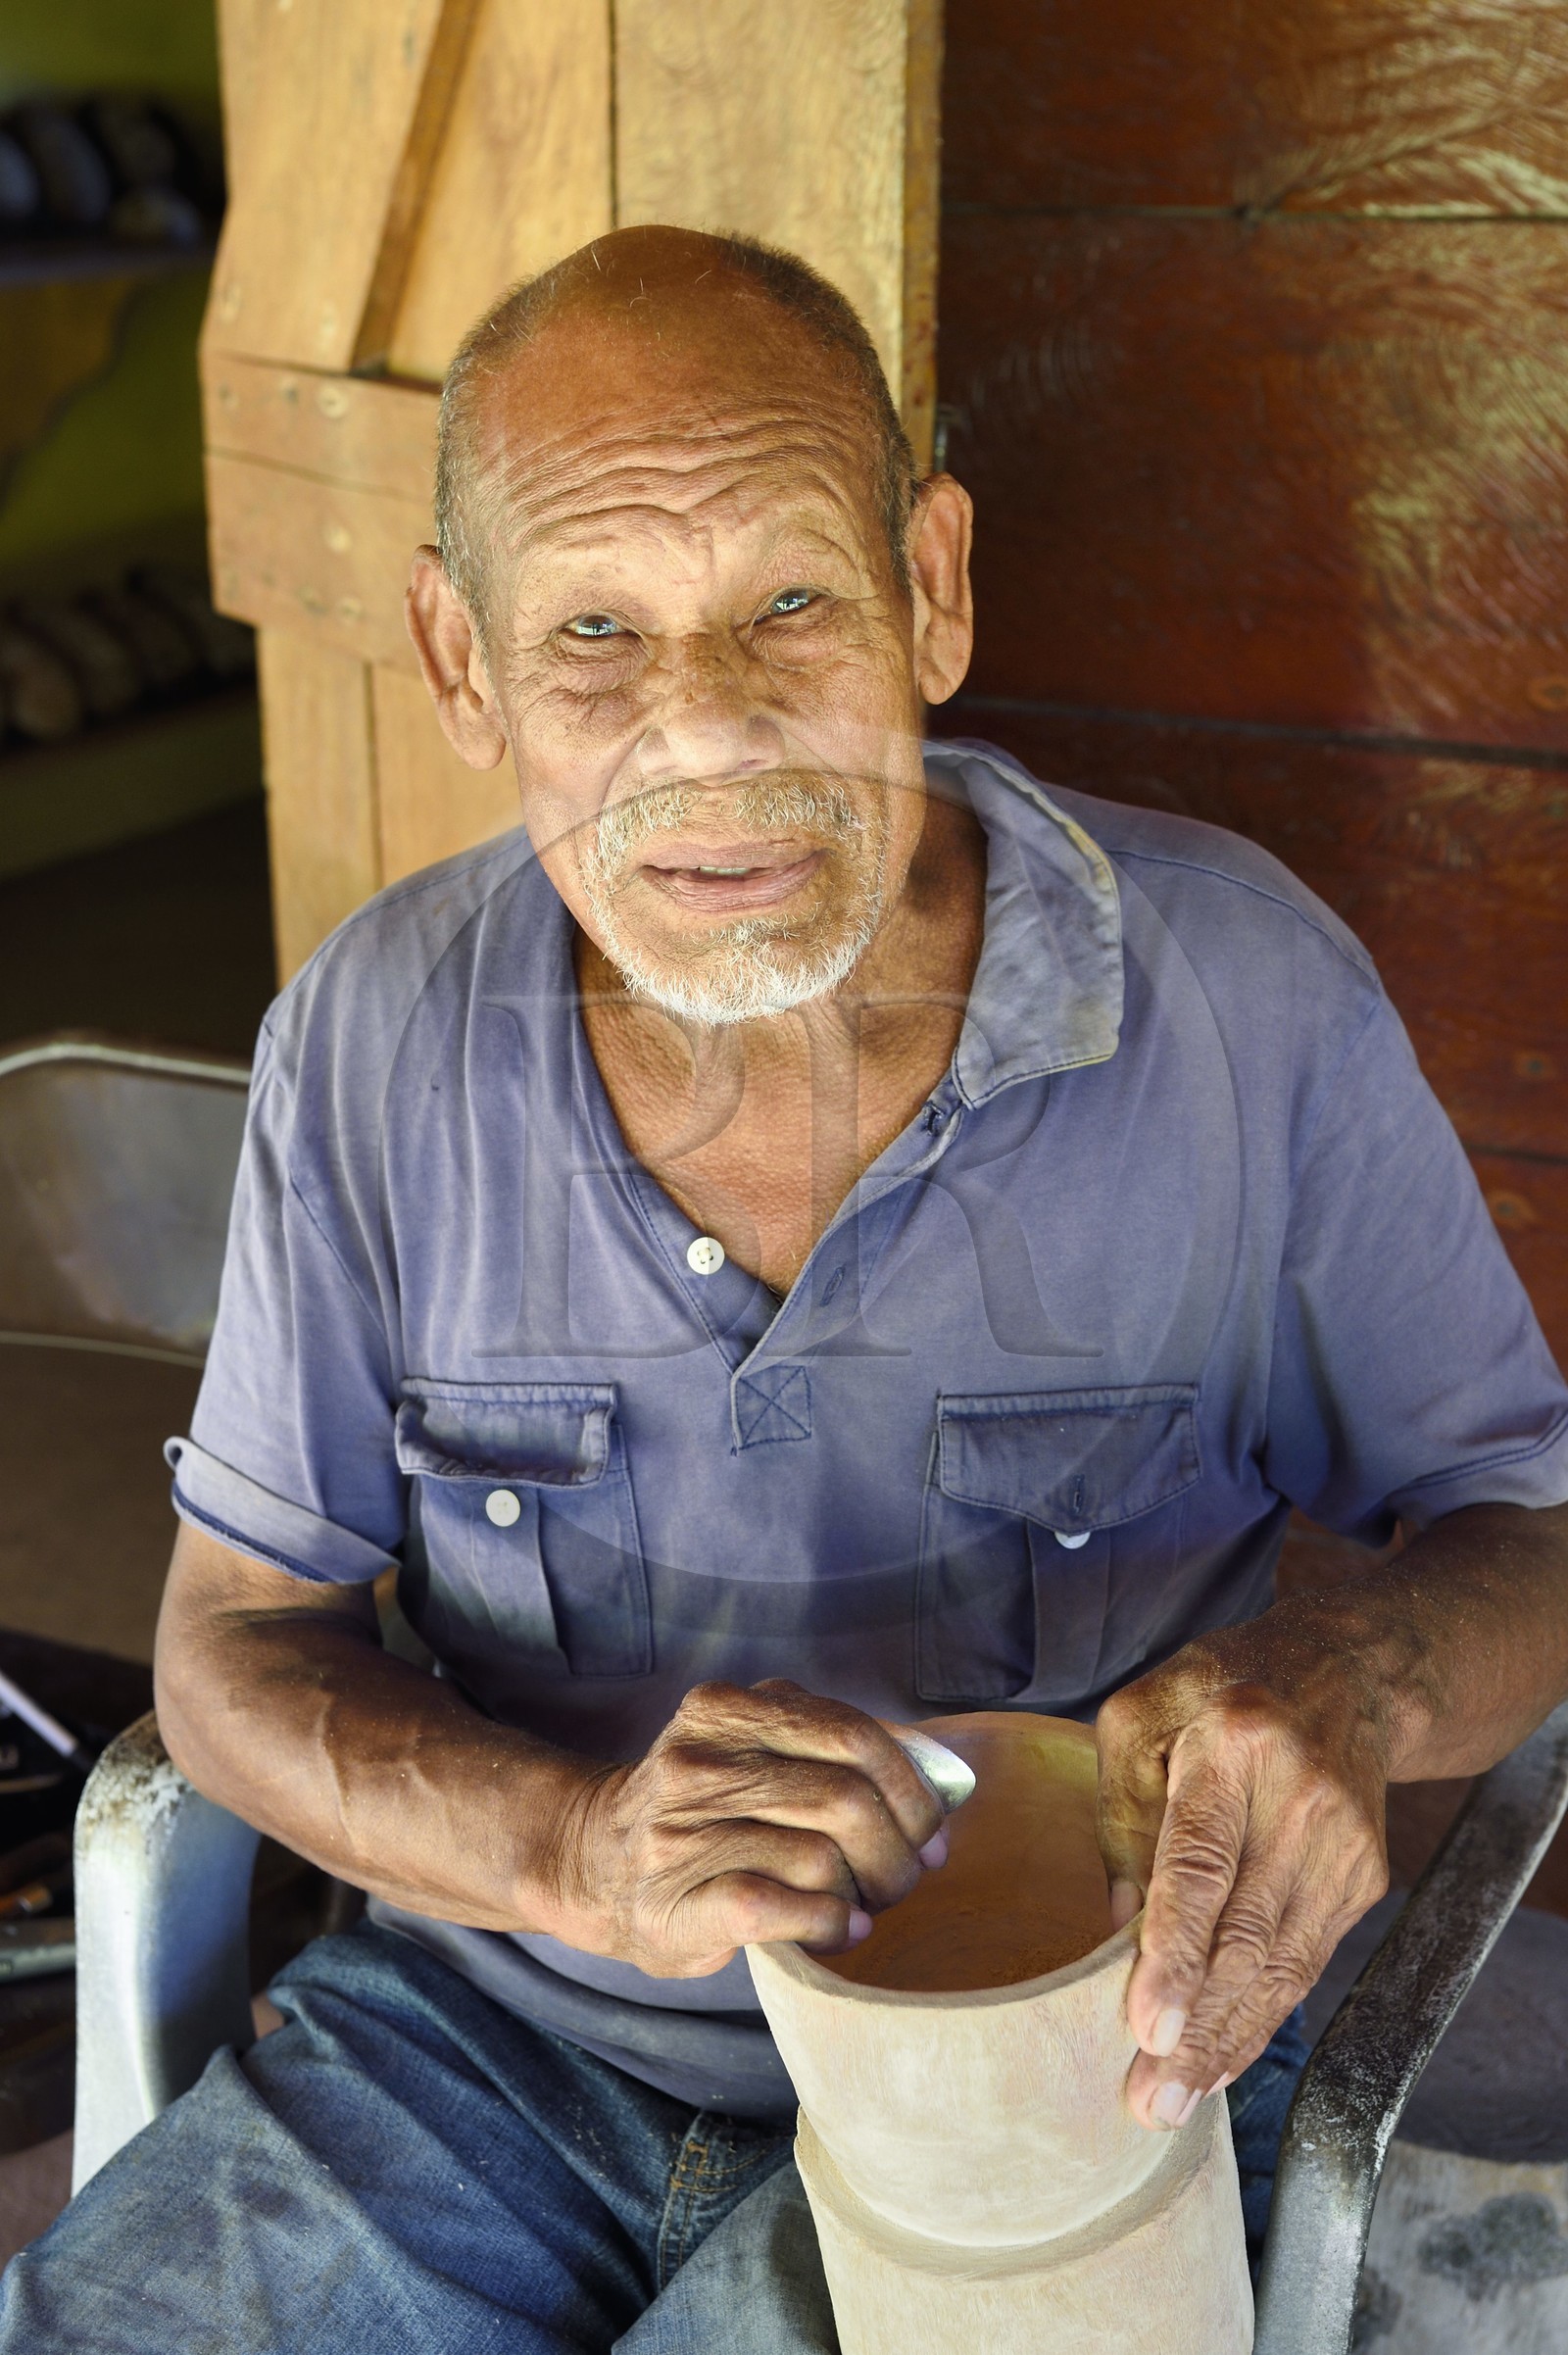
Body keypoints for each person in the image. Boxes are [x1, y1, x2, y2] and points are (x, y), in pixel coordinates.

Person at [5, 224, 1567, 2353]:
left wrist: (1361, 1684)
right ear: (460, 663)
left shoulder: (1241, 1000)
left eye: (789, 602)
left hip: (1067, 2067)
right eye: (592, 632)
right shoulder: (372, 1041)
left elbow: (1531, 1534)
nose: (705, 733)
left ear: (930, 588)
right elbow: (235, 1648)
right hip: (480, 2055)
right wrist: (570, 1846)